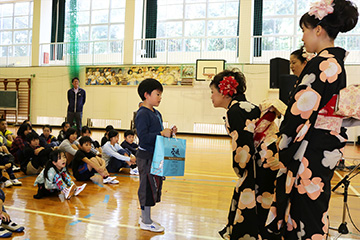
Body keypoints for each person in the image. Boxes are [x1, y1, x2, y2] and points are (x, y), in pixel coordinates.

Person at [266, 1, 359, 239]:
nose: (303, 37)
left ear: (318, 30)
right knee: (314, 206)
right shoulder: (335, 63)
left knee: (304, 210)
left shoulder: (321, 63)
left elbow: (300, 112)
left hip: (310, 147)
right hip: (324, 145)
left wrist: (282, 143)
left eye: (304, 30)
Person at [210, 70, 279, 239]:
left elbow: (242, 147)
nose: (211, 96)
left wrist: (241, 170)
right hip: (268, 159)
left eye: (213, 92)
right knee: (265, 200)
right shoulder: (251, 107)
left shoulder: (234, 111)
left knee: (250, 200)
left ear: (225, 92)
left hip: (256, 165)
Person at [135, 78, 177, 232]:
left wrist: (169, 133)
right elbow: (144, 137)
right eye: (157, 94)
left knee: (153, 187)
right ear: (146, 95)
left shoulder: (156, 113)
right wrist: (160, 133)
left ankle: (146, 217)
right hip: (146, 156)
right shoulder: (142, 114)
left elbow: (157, 134)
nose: (160, 98)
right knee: (146, 187)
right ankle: (145, 220)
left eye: (161, 95)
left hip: (155, 156)